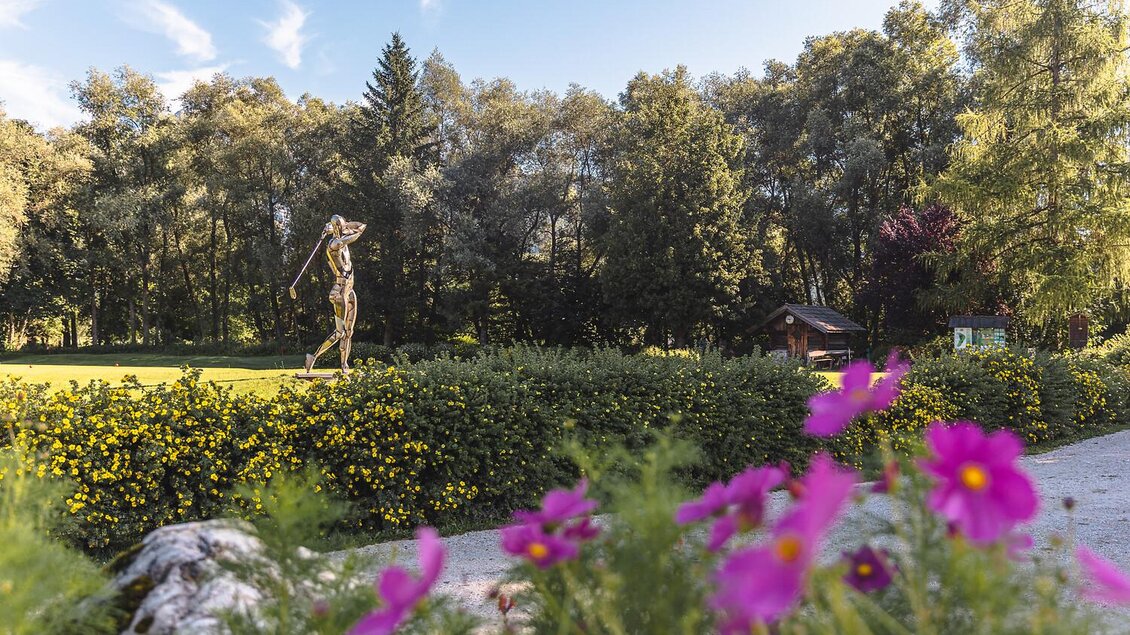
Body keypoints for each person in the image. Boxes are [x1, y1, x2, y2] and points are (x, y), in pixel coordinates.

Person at [304, 215, 366, 373]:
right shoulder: (334, 244)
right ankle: (313, 356)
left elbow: (359, 224)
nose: (345, 227)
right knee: (340, 332)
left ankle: (344, 365)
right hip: (339, 292)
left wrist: (333, 227)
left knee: (349, 331)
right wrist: (338, 229)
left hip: (349, 289)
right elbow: (358, 231)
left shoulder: (340, 239)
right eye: (342, 226)